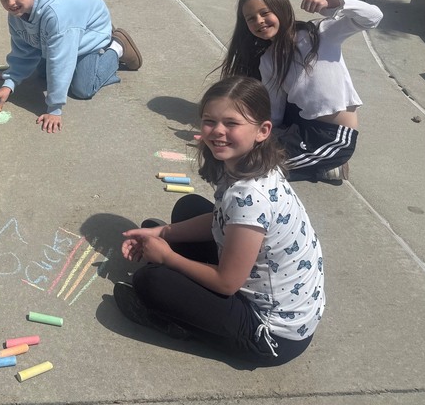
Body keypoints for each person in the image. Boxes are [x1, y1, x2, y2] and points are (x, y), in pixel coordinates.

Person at [117, 76, 324, 366]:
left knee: (151, 281)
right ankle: (171, 262)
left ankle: (173, 322)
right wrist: (162, 232)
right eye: (209, 121)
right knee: (187, 207)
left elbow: (227, 283)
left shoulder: (249, 196)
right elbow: (221, 219)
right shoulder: (251, 165)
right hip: (279, 302)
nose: (218, 131)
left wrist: (167, 258)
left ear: (263, 130)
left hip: (272, 336)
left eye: (231, 123)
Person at [219, 0, 383, 181]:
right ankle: (315, 165)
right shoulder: (268, 59)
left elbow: (373, 16)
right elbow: (275, 111)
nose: (259, 21)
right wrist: (252, 136)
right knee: (239, 150)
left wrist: (332, 2)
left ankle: (328, 166)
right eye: (251, 19)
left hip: (332, 138)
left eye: (265, 13)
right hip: (299, 127)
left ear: (281, 9)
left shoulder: (319, 33)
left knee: (249, 170)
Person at [0, 0, 141, 133]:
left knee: (83, 88)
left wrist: (54, 109)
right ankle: (83, 47)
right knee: (43, 73)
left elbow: (60, 61)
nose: (11, 2)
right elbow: (23, 50)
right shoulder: (16, 14)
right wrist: (10, 82)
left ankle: (117, 47)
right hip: (68, 30)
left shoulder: (56, 15)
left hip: (91, 31)